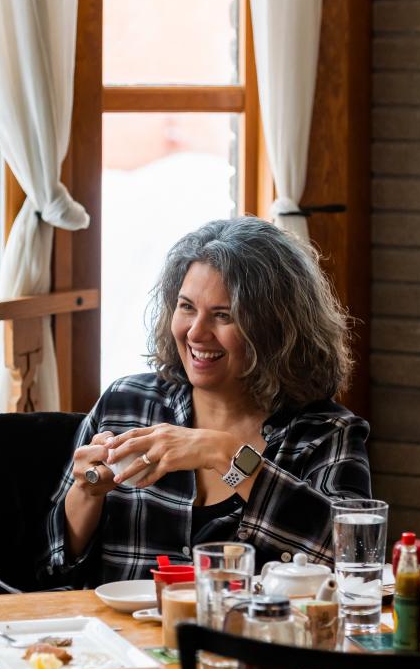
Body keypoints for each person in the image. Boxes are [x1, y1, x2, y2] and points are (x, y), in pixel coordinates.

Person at [43, 217, 371, 588]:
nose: (196, 333)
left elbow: (356, 557)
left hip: (249, 642)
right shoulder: (126, 403)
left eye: (223, 315)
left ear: (277, 328)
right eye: (186, 307)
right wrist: (85, 490)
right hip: (117, 641)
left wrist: (224, 453)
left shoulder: (326, 432)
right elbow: (54, 563)